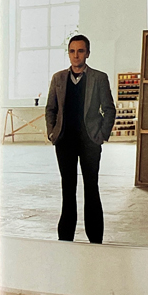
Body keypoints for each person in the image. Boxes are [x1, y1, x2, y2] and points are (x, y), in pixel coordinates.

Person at [44, 35, 116, 244]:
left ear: (88, 53)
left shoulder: (99, 78)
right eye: (72, 51)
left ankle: (95, 240)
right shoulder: (58, 78)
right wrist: (52, 133)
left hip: (90, 142)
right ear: (69, 54)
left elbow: (109, 109)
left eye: (80, 51)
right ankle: (65, 239)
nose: (76, 55)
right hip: (64, 142)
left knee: (91, 188)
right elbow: (50, 109)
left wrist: (101, 135)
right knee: (68, 189)